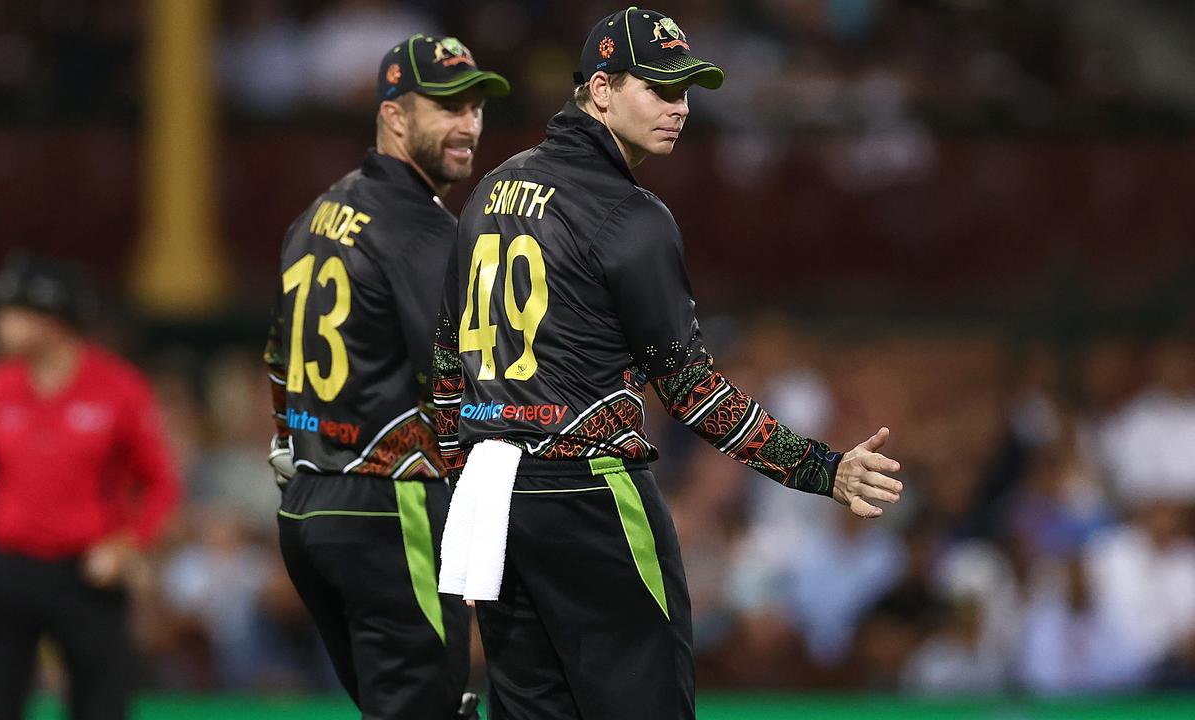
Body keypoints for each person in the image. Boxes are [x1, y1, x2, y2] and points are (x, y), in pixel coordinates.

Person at [431, 8, 903, 719]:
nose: (679, 108)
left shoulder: (490, 191)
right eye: (657, 89)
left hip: (492, 497)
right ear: (599, 89)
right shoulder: (633, 215)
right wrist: (821, 469)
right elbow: (694, 393)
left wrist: (454, 472)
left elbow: (446, 358)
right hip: (591, 496)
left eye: (685, 92)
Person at [263, 33, 509, 720]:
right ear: (395, 115)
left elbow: (278, 364)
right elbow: (462, 389)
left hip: (308, 505)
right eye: (449, 107)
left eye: (477, 108)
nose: (469, 126)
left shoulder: (314, 216)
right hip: (390, 506)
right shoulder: (425, 235)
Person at [0, 254, 181, 720]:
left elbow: (161, 484)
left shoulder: (119, 389)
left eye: (11, 311)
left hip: (89, 573)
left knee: (102, 705)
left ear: (52, 319)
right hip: (9, 571)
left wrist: (128, 545)